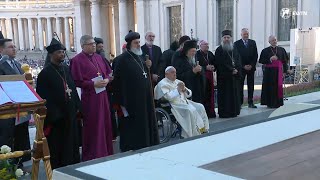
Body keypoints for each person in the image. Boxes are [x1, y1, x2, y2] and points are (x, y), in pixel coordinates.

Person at [36, 38, 81, 169]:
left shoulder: (66, 69)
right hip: (57, 119)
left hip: (70, 115)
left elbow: (71, 88)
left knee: (72, 144)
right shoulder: (45, 74)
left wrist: (77, 106)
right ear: (51, 55)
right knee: (58, 147)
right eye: (59, 52)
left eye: (62, 52)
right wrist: (56, 115)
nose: (62, 54)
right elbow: (44, 98)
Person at [112, 31, 159, 152]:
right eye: (136, 43)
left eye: (139, 42)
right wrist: (121, 103)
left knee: (146, 122)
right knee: (134, 127)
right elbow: (117, 82)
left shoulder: (141, 57)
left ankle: (148, 143)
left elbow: (145, 75)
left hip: (145, 98)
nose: (138, 45)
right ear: (129, 44)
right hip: (131, 101)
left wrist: (149, 66)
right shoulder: (121, 60)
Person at [70, 35, 113, 161]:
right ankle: (94, 154)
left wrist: (106, 80)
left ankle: (106, 152)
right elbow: (75, 81)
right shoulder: (77, 60)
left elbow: (109, 74)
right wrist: (92, 84)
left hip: (103, 97)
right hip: (90, 99)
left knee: (105, 124)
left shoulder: (99, 58)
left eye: (94, 43)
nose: (93, 45)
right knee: (94, 126)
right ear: (83, 46)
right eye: (90, 44)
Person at [154, 66, 209, 138]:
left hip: (185, 102)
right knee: (190, 110)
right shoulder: (162, 84)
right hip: (174, 105)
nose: (175, 74)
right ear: (166, 74)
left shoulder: (178, 81)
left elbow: (189, 94)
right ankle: (193, 133)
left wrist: (185, 90)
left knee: (200, 107)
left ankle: (203, 129)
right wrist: (178, 90)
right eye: (172, 72)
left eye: (175, 72)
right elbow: (168, 97)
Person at [0, 39, 31, 166]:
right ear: (1, 50)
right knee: (7, 136)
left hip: (20, 107)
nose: (14, 49)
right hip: (8, 108)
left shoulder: (17, 64)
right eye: (11, 47)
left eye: (15, 46)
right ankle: (7, 164)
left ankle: (20, 162)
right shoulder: (1, 65)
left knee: (20, 136)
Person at [94, 37, 118, 140]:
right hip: (95, 93)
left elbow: (109, 72)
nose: (102, 49)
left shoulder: (103, 59)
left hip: (107, 90)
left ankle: (112, 134)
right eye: (99, 47)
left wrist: (109, 78)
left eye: (102, 47)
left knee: (109, 112)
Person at [215, 30, 242, 118]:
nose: (226, 39)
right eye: (225, 38)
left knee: (234, 94)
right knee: (225, 96)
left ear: (231, 38)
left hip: (234, 77)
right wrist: (231, 70)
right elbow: (220, 63)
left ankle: (234, 111)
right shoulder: (219, 50)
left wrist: (237, 69)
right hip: (224, 78)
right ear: (222, 39)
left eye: (228, 37)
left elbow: (238, 60)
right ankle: (225, 113)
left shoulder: (235, 48)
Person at [259, 35, 289, 108]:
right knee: (269, 87)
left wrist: (285, 71)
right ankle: (269, 103)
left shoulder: (281, 49)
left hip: (279, 72)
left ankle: (278, 103)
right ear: (269, 42)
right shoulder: (265, 50)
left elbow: (285, 61)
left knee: (278, 87)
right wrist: (270, 59)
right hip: (269, 72)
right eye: (272, 40)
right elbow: (261, 60)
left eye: (275, 40)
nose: (274, 41)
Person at [234, 28, 258, 108]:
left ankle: (250, 102)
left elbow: (255, 55)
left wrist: (251, 65)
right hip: (241, 68)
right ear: (241, 35)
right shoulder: (236, 44)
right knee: (240, 86)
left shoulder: (252, 42)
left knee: (251, 85)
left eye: (247, 34)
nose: (246, 35)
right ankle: (240, 103)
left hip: (251, 68)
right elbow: (236, 57)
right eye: (244, 34)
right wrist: (243, 66)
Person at [196, 40, 216, 118]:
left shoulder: (210, 54)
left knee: (210, 95)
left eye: (207, 44)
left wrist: (213, 67)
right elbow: (196, 65)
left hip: (210, 77)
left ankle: (210, 112)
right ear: (200, 46)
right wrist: (205, 67)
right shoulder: (197, 54)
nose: (207, 46)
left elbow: (215, 63)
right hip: (201, 78)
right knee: (203, 95)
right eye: (205, 44)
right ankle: (204, 113)